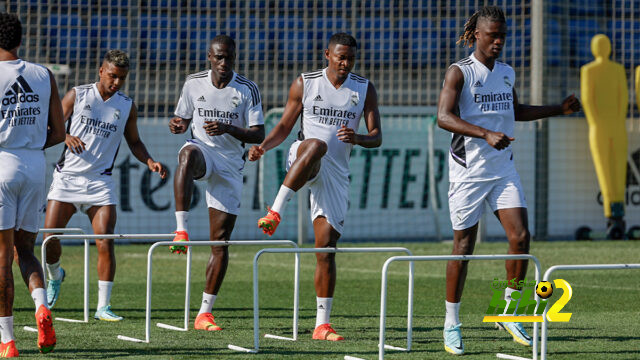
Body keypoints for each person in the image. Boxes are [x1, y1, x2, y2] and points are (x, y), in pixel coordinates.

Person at [436, 6, 581, 355]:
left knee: (520, 236)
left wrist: (557, 109)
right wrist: (484, 133)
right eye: (493, 35)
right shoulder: (460, 72)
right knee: (464, 248)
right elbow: (443, 117)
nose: (499, 41)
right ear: (476, 35)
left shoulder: (506, 72)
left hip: (503, 169)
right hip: (468, 172)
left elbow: (516, 111)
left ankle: (508, 309)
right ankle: (451, 323)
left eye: (503, 35)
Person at [248, 33, 382, 341]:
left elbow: (376, 136)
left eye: (350, 58)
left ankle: (322, 324)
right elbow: (283, 125)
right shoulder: (306, 83)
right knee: (317, 145)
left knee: (326, 250)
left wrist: (358, 138)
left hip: (336, 173)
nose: (345, 63)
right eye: (340, 57)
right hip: (303, 157)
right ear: (327, 54)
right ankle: (275, 211)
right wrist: (264, 147)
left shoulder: (363, 89)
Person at [43, 50, 167, 321]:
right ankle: (55, 276)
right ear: (101, 71)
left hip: (101, 182)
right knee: (49, 240)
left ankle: (103, 307)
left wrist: (149, 161)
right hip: (67, 179)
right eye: (112, 76)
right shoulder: (78, 94)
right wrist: (66, 137)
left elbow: (134, 141)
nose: (117, 82)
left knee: (105, 242)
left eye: (122, 78)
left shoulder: (126, 106)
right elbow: (51, 128)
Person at [169, 35, 264, 331]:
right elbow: (181, 119)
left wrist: (228, 128)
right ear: (209, 56)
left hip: (230, 164)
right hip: (204, 151)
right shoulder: (193, 83)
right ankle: (181, 229)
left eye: (229, 58)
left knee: (220, 242)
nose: (224, 63)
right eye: (219, 57)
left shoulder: (247, 89)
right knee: (187, 154)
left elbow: (258, 134)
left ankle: (204, 313)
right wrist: (177, 125)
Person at [0, 12, 65, 356]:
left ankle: (8, 340)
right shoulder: (43, 74)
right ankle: (42, 307)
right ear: (20, 40)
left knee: (1, 255)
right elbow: (59, 133)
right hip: (35, 166)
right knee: (25, 249)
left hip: (3, 164)